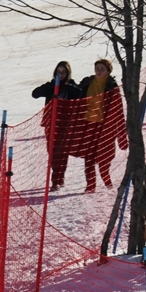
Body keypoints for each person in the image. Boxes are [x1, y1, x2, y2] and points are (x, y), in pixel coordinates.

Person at [76, 59, 128, 193]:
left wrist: (122, 135)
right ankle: (90, 186)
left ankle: (107, 182)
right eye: (97, 68)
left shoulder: (112, 87)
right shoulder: (87, 83)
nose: (99, 71)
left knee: (105, 156)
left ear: (108, 71)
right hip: (88, 124)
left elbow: (118, 111)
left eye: (102, 69)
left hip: (106, 127)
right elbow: (75, 99)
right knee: (89, 157)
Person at [32, 61, 82, 191]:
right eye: (58, 72)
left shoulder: (72, 85)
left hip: (66, 124)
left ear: (68, 73)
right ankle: (55, 179)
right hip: (51, 123)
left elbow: (82, 94)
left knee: (63, 151)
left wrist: (67, 86)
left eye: (63, 72)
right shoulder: (51, 85)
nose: (61, 74)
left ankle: (60, 178)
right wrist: (52, 85)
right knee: (53, 151)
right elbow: (35, 94)